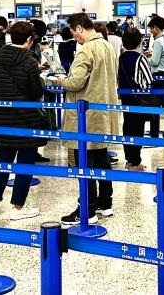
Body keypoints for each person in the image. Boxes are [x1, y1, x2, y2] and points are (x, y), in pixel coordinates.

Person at [56, 13, 118, 227]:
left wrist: (61, 80)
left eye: (74, 34)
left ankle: (87, 209)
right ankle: (105, 203)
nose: (76, 38)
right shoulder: (107, 46)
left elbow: (75, 83)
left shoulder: (86, 50)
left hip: (85, 116)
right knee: (101, 158)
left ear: (79, 28)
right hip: (103, 112)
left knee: (85, 162)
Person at [0, 21, 46, 220]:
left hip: (3, 118)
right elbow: (36, 91)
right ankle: (18, 208)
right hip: (27, 119)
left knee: (3, 160)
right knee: (25, 163)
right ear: (29, 39)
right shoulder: (30, 61)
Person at [119, 27, 154, 172]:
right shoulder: (140, 58)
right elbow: (149, 80)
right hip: (138, 101)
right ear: (139, 42)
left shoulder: (120, 58)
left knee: (127, 128)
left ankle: (129, 161)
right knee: (138, 130)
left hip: (125, 100)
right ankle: (135, 162)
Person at [145, 16, 164, 138]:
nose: (151, 32)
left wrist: (147, 58)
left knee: (154, 106)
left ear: (156, 28)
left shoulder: (158, 41)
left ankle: (154, 133)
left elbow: (154, 62)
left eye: (151, 29)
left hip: (158, 76)